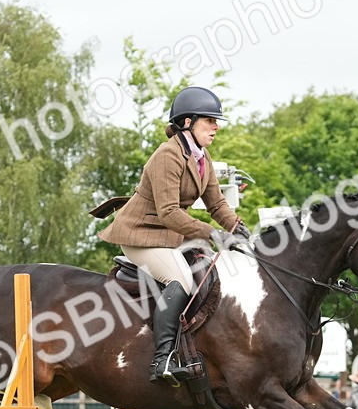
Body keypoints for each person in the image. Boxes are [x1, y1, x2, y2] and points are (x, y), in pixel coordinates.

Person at [97, 86, 250, 383]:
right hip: (140, 235)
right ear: (187, 123)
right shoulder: (168, 156)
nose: (216, 127)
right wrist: (213, 234)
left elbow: (217, 203)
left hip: (170, 235)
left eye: (215, 121)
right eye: (209, 120)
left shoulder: (201, 156)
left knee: (212, 268)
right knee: (179, 278)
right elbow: (168, 212)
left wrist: (237, 228)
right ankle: (162, 360)